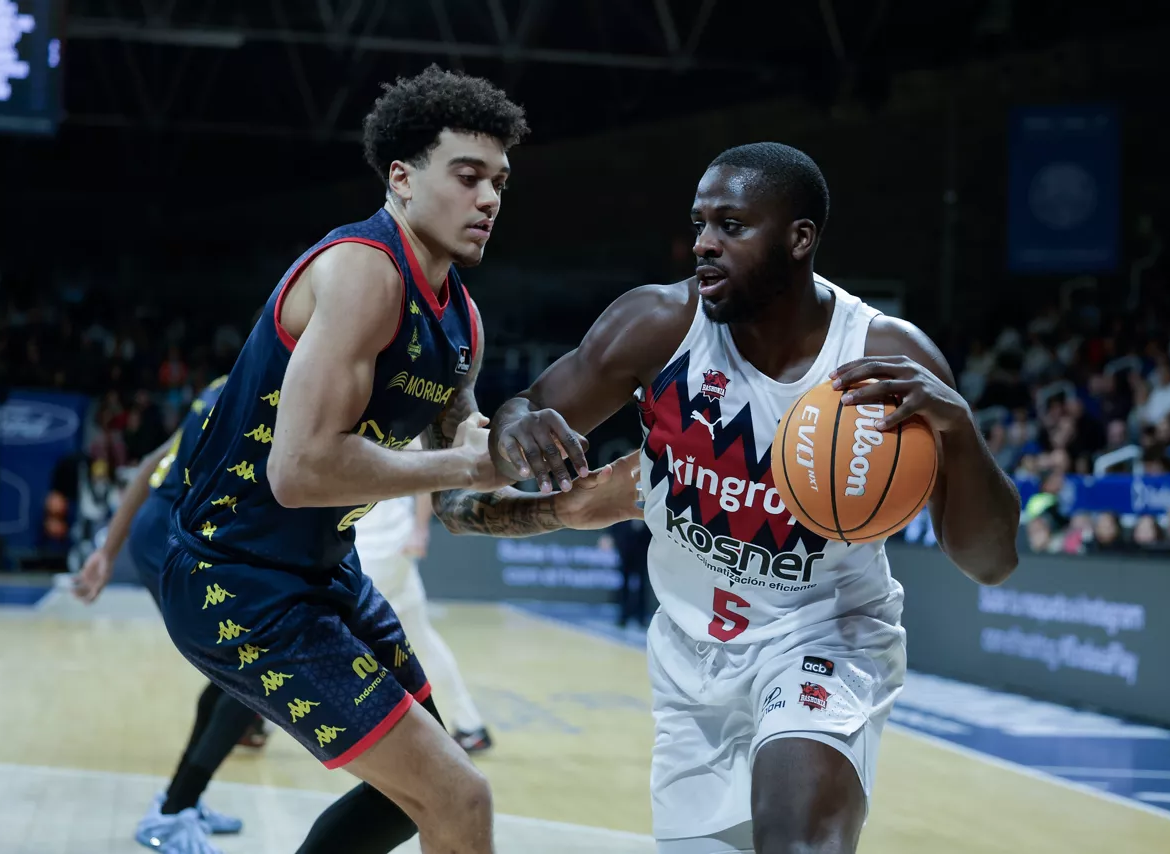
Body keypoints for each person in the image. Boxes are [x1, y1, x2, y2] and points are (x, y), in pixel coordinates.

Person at [156, 65, 641, 854]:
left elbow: (458, 504)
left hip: (322, 573)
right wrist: (476, 465)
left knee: (408, 798)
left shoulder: (463, 325)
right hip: (233, 577)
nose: (489, 199)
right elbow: (301, 471)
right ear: (403, 178)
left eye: (500, 182)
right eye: (468, 176)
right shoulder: (362, 272)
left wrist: (575, 505)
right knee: (461, 800)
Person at [489, 142, 1021, 854]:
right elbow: (523, 410)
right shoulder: (659, 324)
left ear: (800, 239)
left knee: (795, 843)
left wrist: (957, 429)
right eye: (700, 221)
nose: (705, 242)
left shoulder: (887, 361)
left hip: (821, 636)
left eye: (731, 225)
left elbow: (990, 562)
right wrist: (517, 426)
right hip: (687, 659)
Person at [73, 376, 260, 852]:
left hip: (166, 533)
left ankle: (181, 802)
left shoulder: (230, 382)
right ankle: (175, 810)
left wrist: (107, 553)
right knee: (251, 675)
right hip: (172, 540)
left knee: (237, 676)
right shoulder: (259, 393)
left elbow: (152, 465)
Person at [355, 434, 493, 753]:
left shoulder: (382, 407)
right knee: (420, 639)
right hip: (386, 545)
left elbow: (424, 471)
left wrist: (419, 529)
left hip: (375, 549)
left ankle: (256, 719)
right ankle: (470, 724)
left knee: (325, 633)